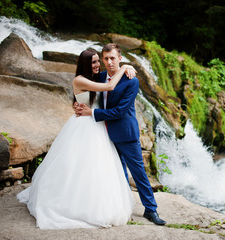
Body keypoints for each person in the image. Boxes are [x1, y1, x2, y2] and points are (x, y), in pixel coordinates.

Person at [17, 49, 137, 229]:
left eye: (98, 61)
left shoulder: (96, 77)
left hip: (97, 125)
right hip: (83, 126)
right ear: (84, 64)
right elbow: (110, 87)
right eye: (93, 62)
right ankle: (71, 203)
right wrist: (125, 66)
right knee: (77, 164)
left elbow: (100, 94)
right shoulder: (79, 80)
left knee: (99, 166)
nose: (97, 65)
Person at [75, 43, 166, 225]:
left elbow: (119, 112)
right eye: (106, 58)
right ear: (102, 59)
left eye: (113, 58)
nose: (109, 62)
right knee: (117, 172)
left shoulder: (131, 80)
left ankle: (151, 209)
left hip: (125, 133)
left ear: (120, 58)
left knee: (138, 173)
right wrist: (77, 104)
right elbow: (81, 88)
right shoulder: (100, 77)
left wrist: (91, 113)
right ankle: (123, 206)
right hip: (103, 134)